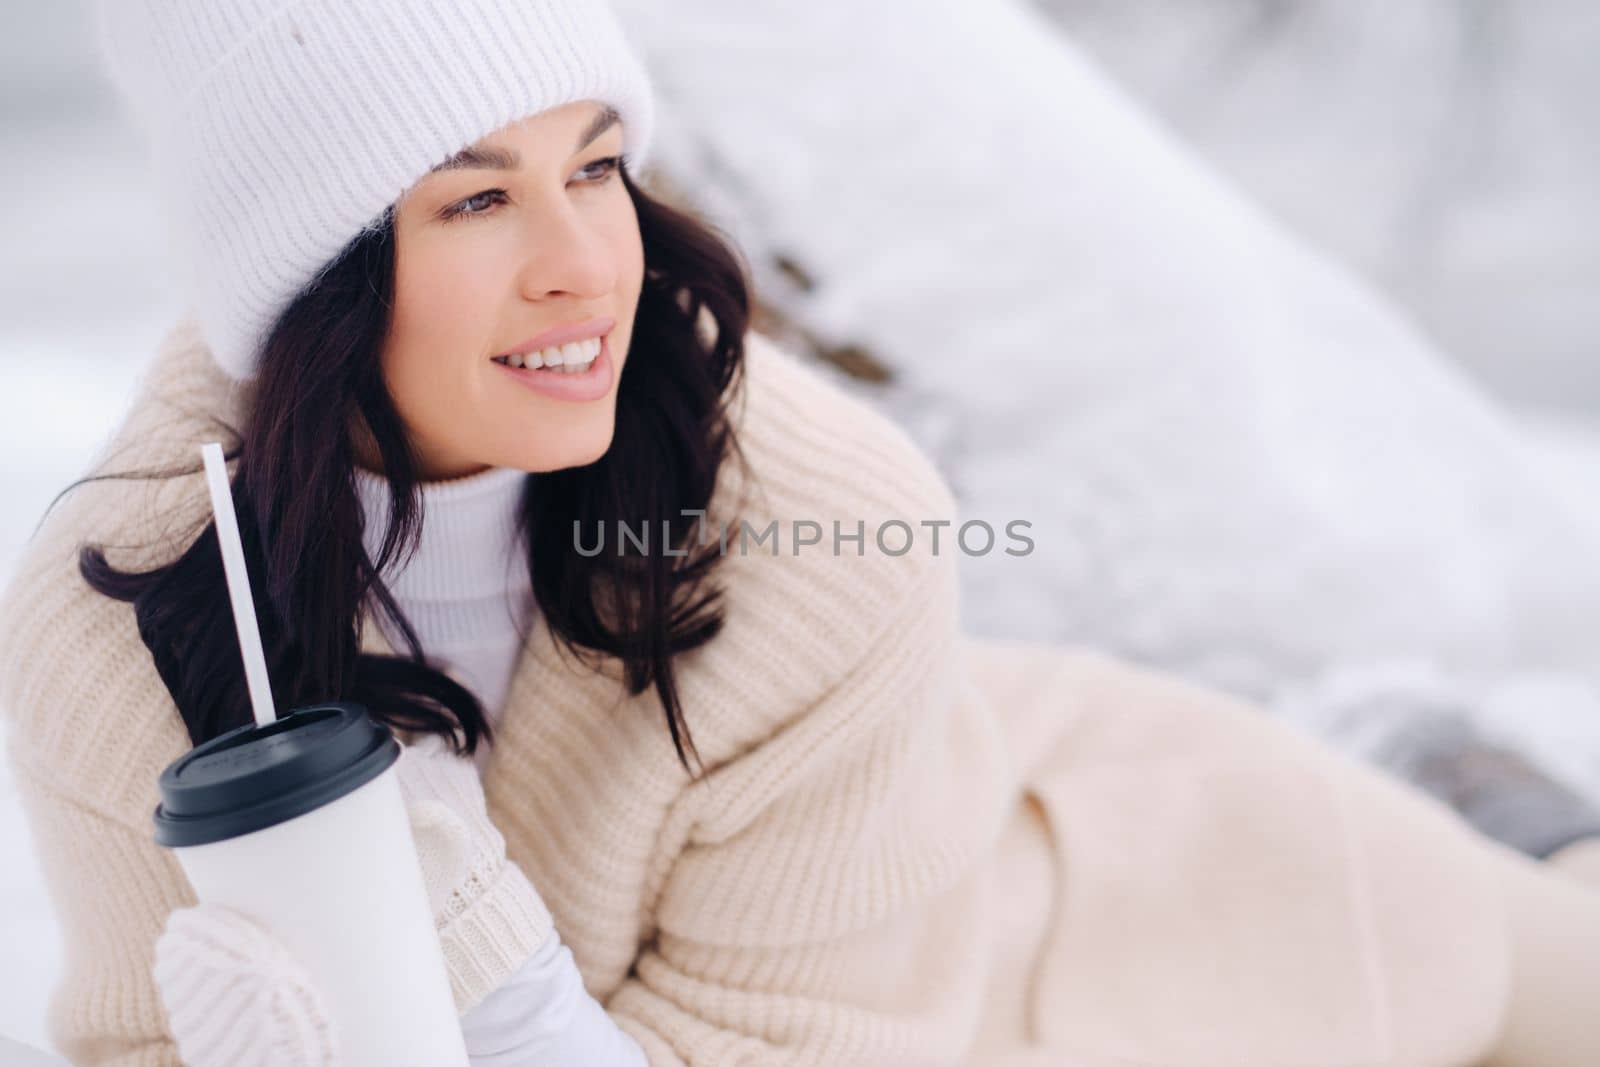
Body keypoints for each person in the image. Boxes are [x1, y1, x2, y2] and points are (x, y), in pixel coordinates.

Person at [0, 1, 1597, 1065]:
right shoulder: (112, 634)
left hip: (1119, 930)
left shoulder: (822, 526)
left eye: (599, 169)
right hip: (930, 841)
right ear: (320, 277)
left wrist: (451, 925)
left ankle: (1441, 762)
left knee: (1544, 976)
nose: (582, 265)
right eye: (477, 202)